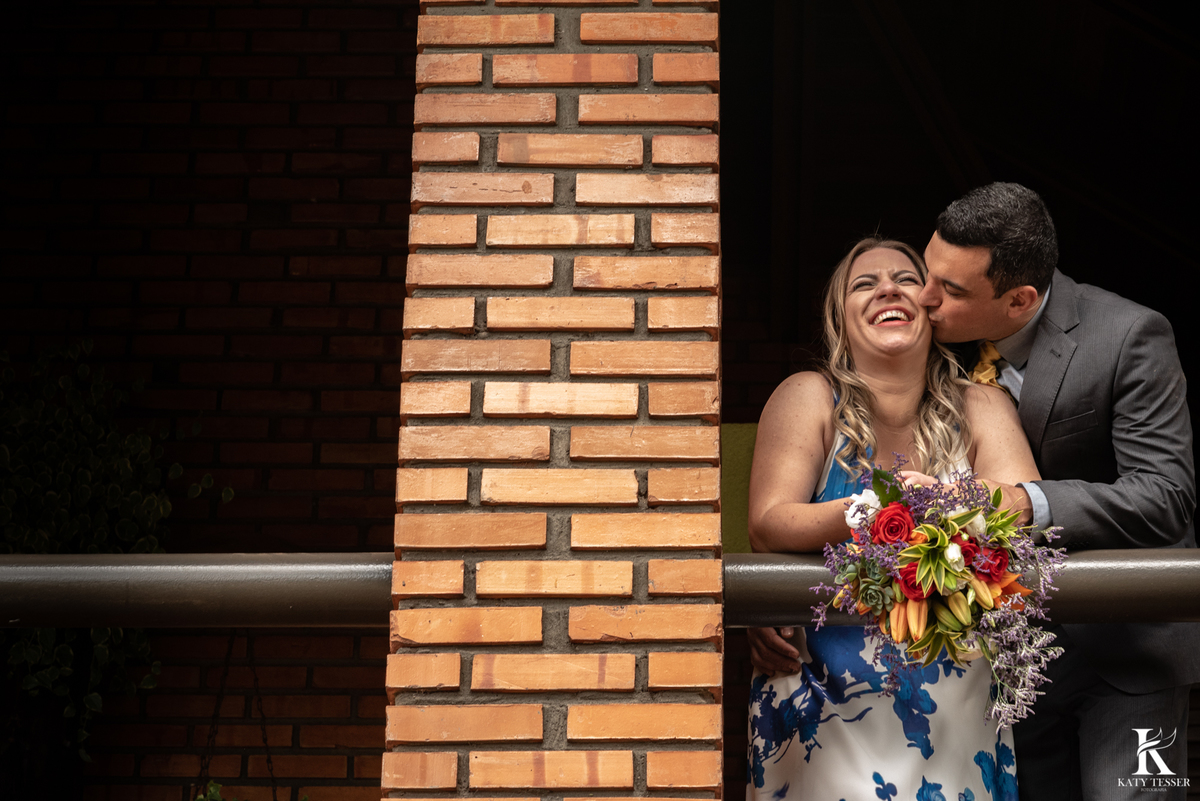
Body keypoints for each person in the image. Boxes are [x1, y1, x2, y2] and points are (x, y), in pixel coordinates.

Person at [916, 182, 1198, 800]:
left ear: (1019, 299)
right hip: (1004, 658)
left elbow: (1165, 497)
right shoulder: (924, 346)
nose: (924, 297)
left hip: (1127, 655)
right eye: (926, 271)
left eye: (951, 289)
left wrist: (1026, 501)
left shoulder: (1129, 334)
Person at [746, 237, 1039, 801]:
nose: (887, 289)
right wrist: (873, 510)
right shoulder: (808, 396)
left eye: (906, 280)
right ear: (840, 319)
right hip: (822, 695)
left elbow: (1023, 505)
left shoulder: (982, 404)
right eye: (864, 284)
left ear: (932, 307)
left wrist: (940, 501)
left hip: (955, 694)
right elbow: (769, 522)